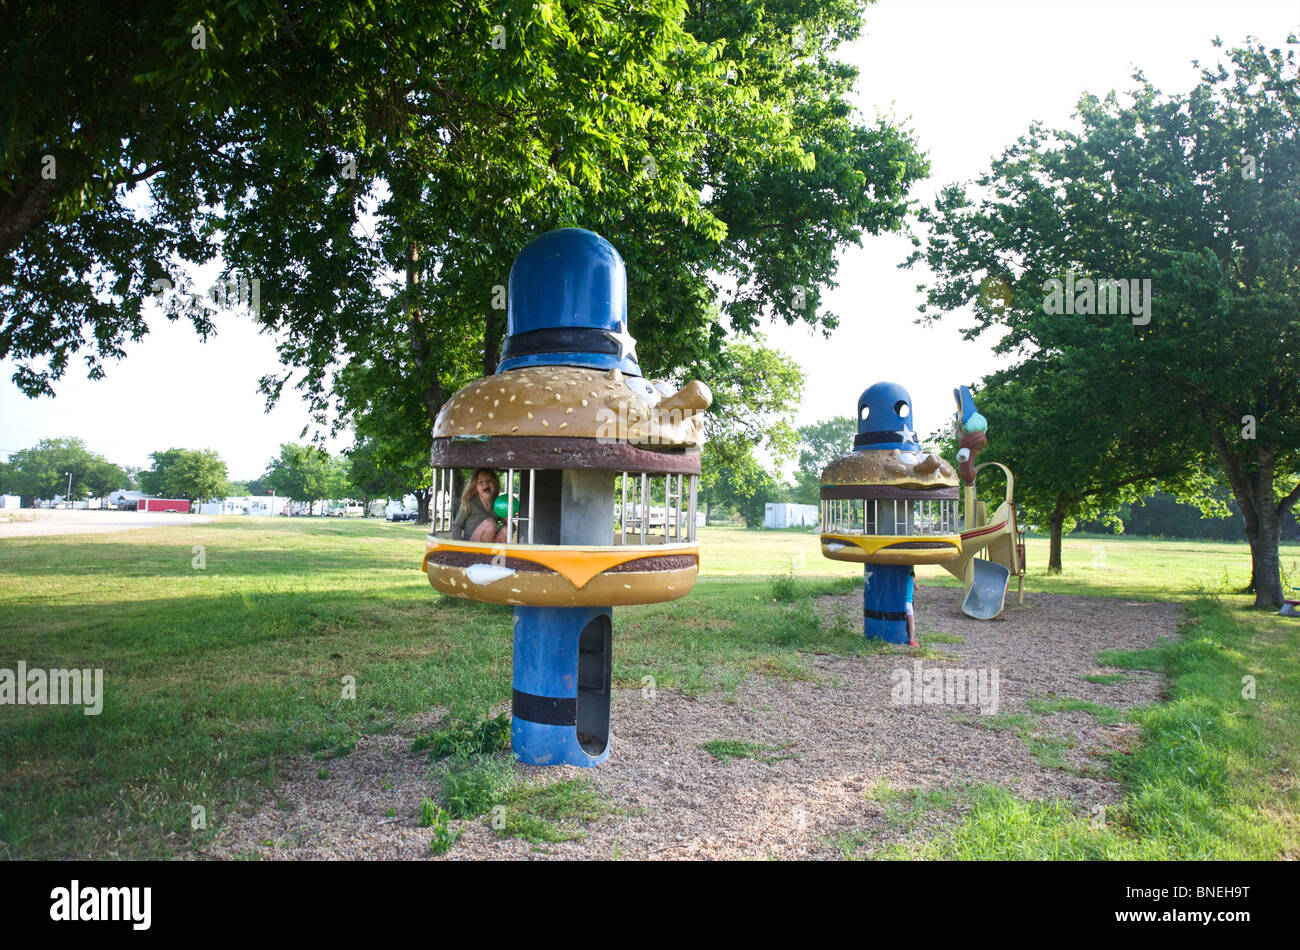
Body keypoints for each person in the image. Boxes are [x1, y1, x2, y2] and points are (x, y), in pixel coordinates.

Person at [452, 469, 509, 543]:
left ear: (495, 483)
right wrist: (459, 545)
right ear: (475, 487)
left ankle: (491, 553)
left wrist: (507, 518)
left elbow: (511, 527)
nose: (485, 484)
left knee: (506, 530)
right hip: (471, 545)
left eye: (489, 480)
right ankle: (480, 553)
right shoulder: (470, 503)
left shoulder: (497, 505)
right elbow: (456, 525)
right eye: (480, 482)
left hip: (489, 545)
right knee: (490, 524)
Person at [905, 566, 918, 647]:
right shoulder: (912, 578)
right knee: (911, 622)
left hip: (899, 602)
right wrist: (914, 579)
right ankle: (912, 640)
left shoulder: (901, 578)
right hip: (908, 603)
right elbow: (917, 588)